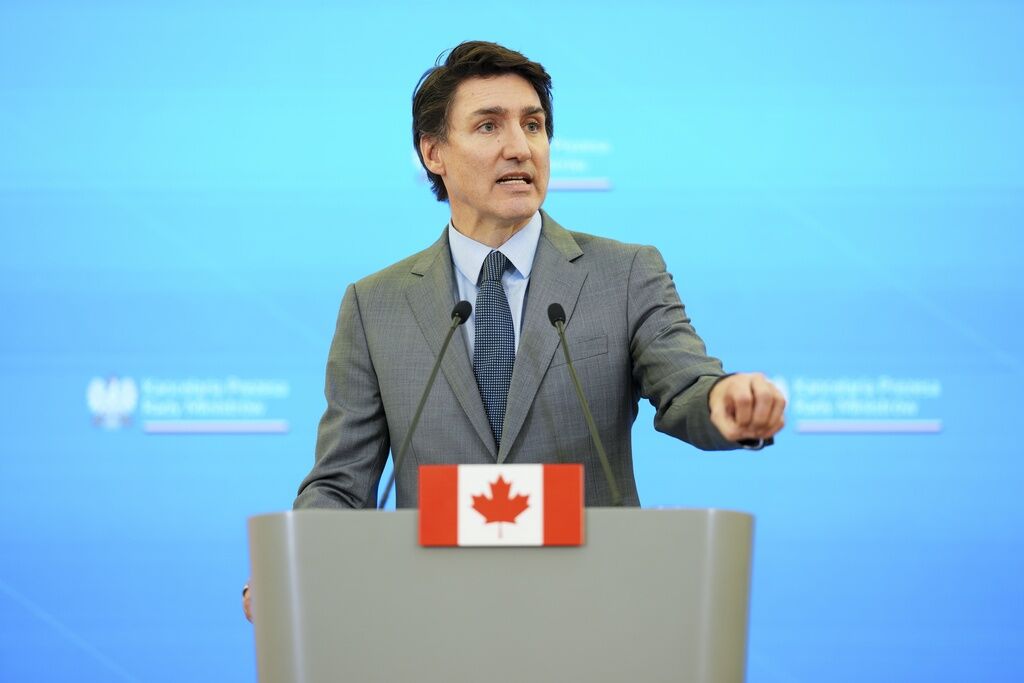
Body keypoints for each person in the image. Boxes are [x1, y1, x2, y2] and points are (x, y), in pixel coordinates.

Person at [243, 40, 784, 621]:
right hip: (432, 620)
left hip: (595, 614)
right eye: (488, 127)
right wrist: (292, 566)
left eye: (534, 125)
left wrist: (728, 401)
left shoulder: (624, 274)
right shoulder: (375, 306)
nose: (519, 147)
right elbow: (341, 484)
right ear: (433, 153)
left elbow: (687, 389)